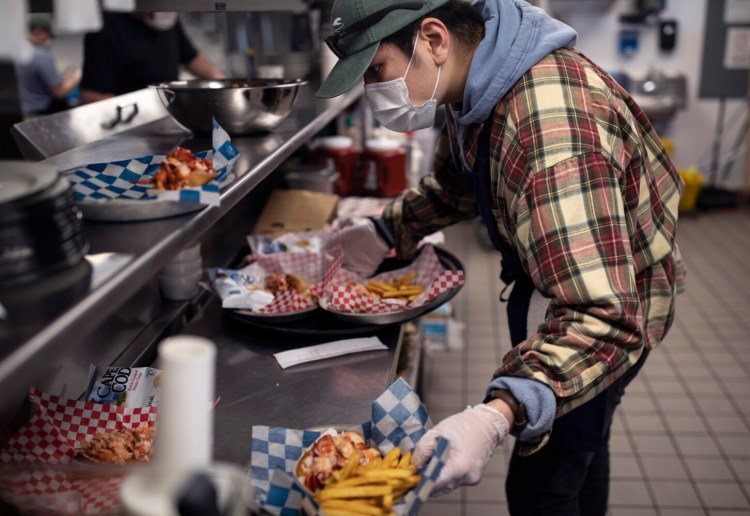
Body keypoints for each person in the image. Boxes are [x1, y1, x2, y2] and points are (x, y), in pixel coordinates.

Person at [318, 0, 686, 514]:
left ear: (433, 39)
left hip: (601, 316)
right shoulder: (477, 83)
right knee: (583, 445)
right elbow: (461, 183)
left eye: (377, 70)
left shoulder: (550, 128)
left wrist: (499, 413)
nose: (373, 92)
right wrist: (385, 231)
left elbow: (603, 317)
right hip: (562, 289)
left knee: (543, 485)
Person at [79, 12, 225, 104]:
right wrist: (147, 110)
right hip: (130, 132)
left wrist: (224, 83)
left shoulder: (168, 20)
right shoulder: (106, 30)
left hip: (167, 121)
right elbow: (90, 97)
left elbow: (191, 57)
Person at [15, 14, 81, 117]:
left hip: (23, 111)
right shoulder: (39, 55)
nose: (49, 40)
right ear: (39, 31)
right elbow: (59, 92)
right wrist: (78, 74)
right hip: (41, 113)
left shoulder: (16, 51)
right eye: (49, 35)